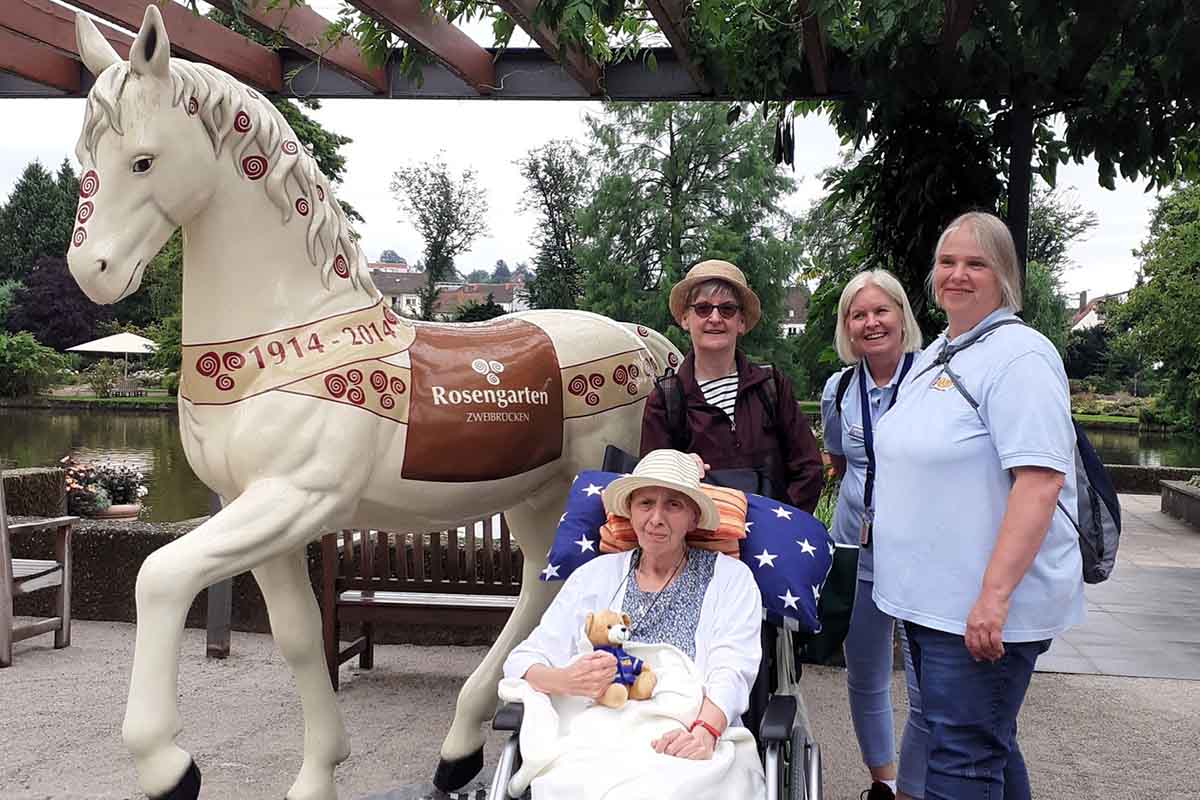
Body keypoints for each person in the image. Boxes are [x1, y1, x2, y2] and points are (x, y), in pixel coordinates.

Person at [872, 212, 1085, 800]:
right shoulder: (942, 352)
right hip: (932, 605)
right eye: (947, 262)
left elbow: (1039, 481)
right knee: (982, 742)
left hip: (976, 611)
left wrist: (993, 598)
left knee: (961, 759)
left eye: (976, 263)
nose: (957, 275)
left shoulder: (1020, 357)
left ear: (1004, 278)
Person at [503, 449, 763, 762]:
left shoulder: (731, 578)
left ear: (694, 517)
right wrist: (566, 679)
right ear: (629, 510)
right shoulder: (594, 575)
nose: (656, 518)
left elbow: (732, 669)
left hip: (686, 728)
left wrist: (704, 731)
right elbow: (524, 659)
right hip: (597, 736)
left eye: (673, 505)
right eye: (645, 503)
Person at [820, 269, 927, 800]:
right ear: (847, 327)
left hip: (923, 553)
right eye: (858, 314)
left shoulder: (933, 378)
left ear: (902, 315)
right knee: (864, 673)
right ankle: (883, 784)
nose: (871, 322)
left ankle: (915, 787)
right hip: (857, 549)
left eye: (881, 310)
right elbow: (839, 461)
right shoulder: (838, 389)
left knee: (929, 681)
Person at [640, 259, 824, 513]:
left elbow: (808, 468)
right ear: (685, 318)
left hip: (773, 540)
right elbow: (653, 488)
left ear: (741, 322)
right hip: (698, 543)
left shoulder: (771, 387)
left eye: (727, 309)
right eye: (703, 308)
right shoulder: (666, 399)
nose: (715, 318)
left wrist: (780, 527)